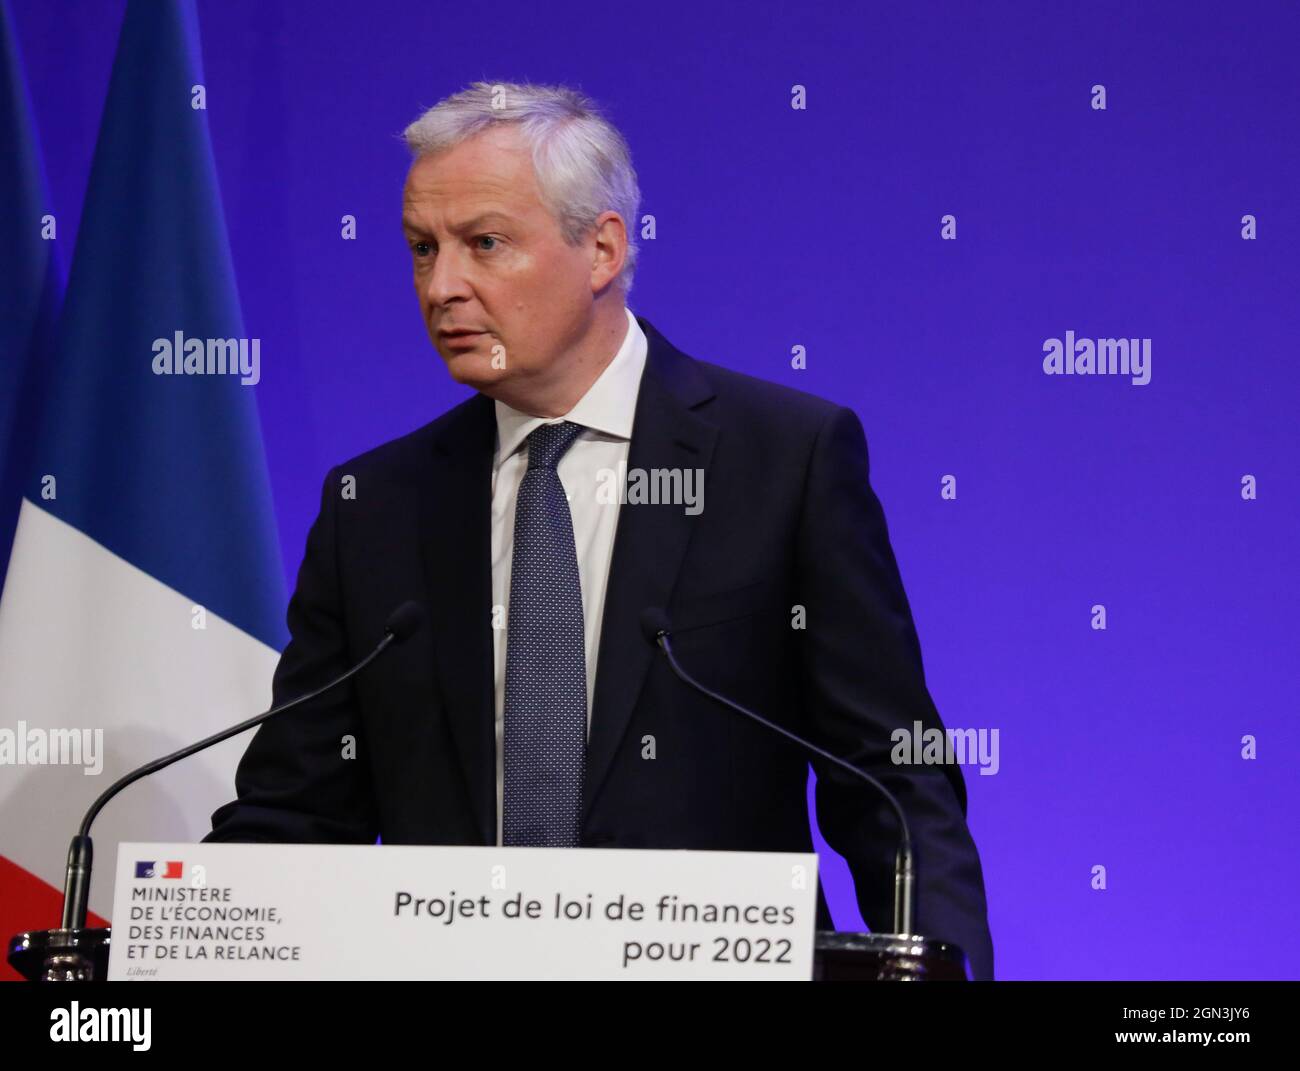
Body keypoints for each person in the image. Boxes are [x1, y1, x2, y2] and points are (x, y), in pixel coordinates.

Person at [205, 80, 995, 980]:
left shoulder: (784, 461)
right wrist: (180, 942)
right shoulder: (375, 505)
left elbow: (891, 778)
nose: (442, 285)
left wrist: (947, 966)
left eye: (485, 244)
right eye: (423, 249)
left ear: (602, 249)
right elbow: (297, 810)